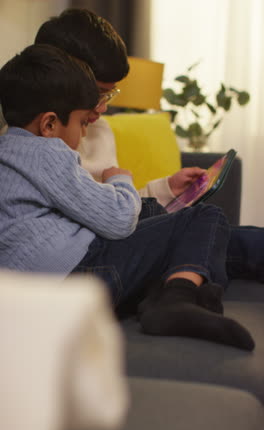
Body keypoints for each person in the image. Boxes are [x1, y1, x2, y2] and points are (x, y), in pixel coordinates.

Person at [0, 43, 254, 351]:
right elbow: (119, 220)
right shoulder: (45, 152)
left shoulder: (10, 152)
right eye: (81, 123)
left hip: (56, 279)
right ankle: (177, 300)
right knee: (205, 218)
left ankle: (177, 290)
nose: (83, 135)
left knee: (201, 233)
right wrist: (119, 179)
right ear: (50, 123)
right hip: (79, 276)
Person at [33, 7, 264, 285]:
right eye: (97, 92)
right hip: (102, 252)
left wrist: (166, 189)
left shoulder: (100, 131)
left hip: (125, 232)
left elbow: (113, 206)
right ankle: (179, 291)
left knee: (232, 236)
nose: (104, 106)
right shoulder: (36, 145)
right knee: (206, 224)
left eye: (110, 93)